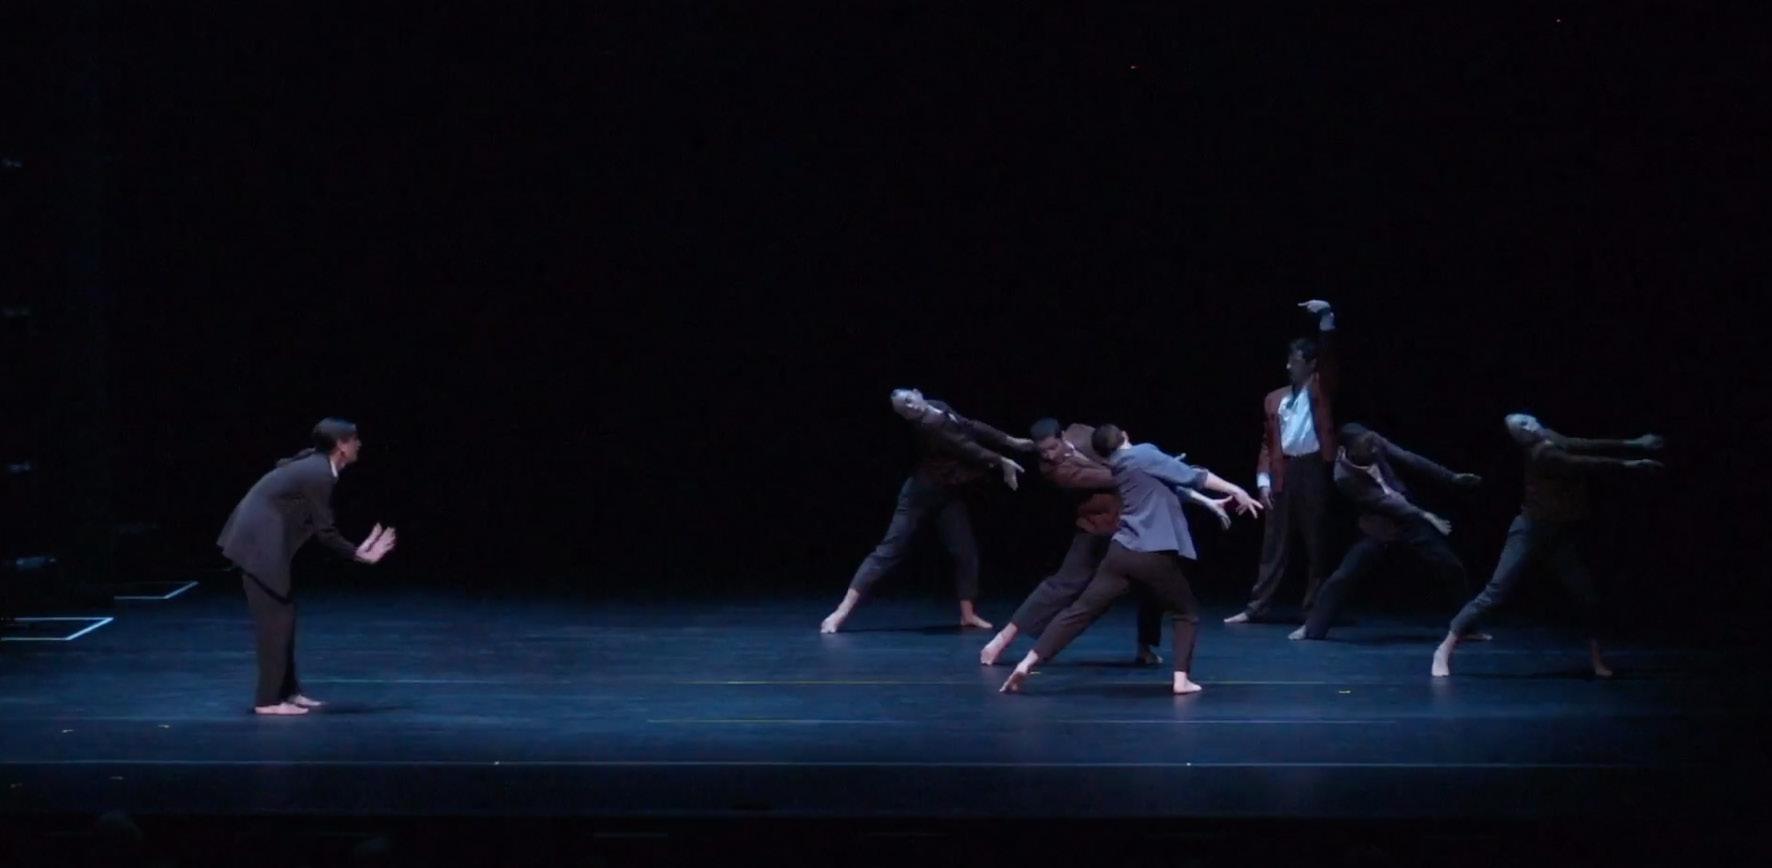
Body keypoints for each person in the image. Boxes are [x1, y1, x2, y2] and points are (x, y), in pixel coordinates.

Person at [1000, 425, 1262, 695]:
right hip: (1152, 552)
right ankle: (1181, 680)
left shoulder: (1118, 467)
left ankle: (1027, 662)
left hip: (1120, 552)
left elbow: (1166, 484)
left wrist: (1207, 502)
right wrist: (1236, 490)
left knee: (1079, 612)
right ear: (1125, 435)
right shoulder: (1143, 454)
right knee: (1186, 613)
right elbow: (1194, 476)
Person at [1432, 414, 1664, 678]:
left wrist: (1634, 443)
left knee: (1586, 595)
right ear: (1522, 437)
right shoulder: (1542, 455)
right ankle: (1443, 650)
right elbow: (1586, 463)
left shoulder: (1549, 436)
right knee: (1495, 592)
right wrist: (1630, 464)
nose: (1530, 423)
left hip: (1557, 533)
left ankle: (1598, 659)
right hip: (1530, 531)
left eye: (1527, 418)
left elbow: (1581, 444)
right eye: (1522, 426)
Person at [217, 418, 396, 715]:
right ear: (341, 445)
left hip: (262, 542)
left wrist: (357, 550)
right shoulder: (319, 473)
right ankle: (268, 701)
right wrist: (360, 554)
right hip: (255, 544)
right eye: (354, 439)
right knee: (275, 622)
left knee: (283, 618)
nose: (359, 444)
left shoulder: (318, 466)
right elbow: (325, 532)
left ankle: (288, 692)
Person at [821, 389, 1035, 633]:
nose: (910, 408)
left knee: (965, 552)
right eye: (904, 410)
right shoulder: (928, 427)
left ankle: (968, 615)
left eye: (909, 401)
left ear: (917, 393)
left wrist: (1010, 440)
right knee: (888, 552)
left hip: (947, 493)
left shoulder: (938, 406)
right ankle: (840, 613)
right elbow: (965, 446)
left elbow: (970, 426)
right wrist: (1002, 461)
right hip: (919, 496)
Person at [1289, 423, 1484, 640]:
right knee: (1345, 575)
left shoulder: (1373, 441)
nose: (1374, 450)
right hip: (1378, 525)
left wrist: (1450, 477)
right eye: (1367, 448)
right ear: (1348, 450)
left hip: (1408, 519)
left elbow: (1410, 459)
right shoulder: (1343, 476)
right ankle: (1312, 628)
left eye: (1373, 444)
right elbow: (1384, 502)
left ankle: (1467, 628)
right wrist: (1424, 514)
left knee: (1451, 565)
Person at [1227, 300, 1342, 624]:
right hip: (1284, 470)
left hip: (1313, 468)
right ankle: (1257, 607)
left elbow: (1329, 358)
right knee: (1273, 543)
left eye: (1295, 361)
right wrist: (1263, 480)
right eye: (1289, 360)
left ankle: (1315, 610)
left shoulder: (1320, 388)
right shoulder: (1274, 398)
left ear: (1310, 364)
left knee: (1316, 542)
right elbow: (1268, 443)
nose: (1289, 366)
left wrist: (1326, 318)